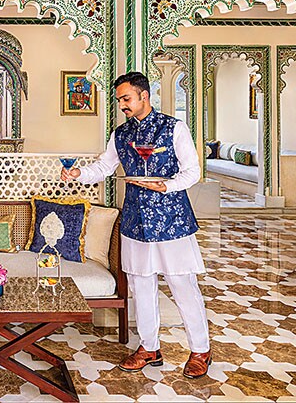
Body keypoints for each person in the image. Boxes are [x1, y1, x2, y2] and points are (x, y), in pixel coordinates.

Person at [61, 71, 212, 378]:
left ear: (145, 95)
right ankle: (149, 347)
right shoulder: (120, 134)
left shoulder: (174, 128)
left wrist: (165, 186)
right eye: (119, 101)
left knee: (182, 284)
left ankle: (200, 350)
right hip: (135, 219)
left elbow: (192, 171)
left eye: (127, 99)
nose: (123, 106)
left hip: (172, 220)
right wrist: (79, 175)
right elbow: (104, 166)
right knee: (141, 286)